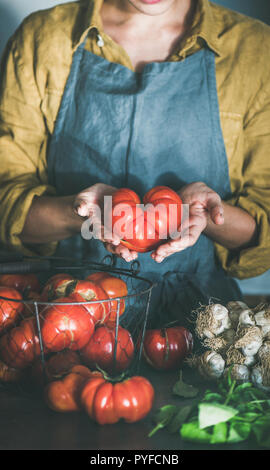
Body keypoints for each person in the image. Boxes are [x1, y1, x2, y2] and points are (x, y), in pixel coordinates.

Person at [0, 0, 270, 319]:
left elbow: (263, 230)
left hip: (203, 325)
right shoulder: (42, 38)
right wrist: (82, 212)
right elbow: (6, 207)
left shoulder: (255, 49)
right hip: (67, 321)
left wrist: (207, 216)